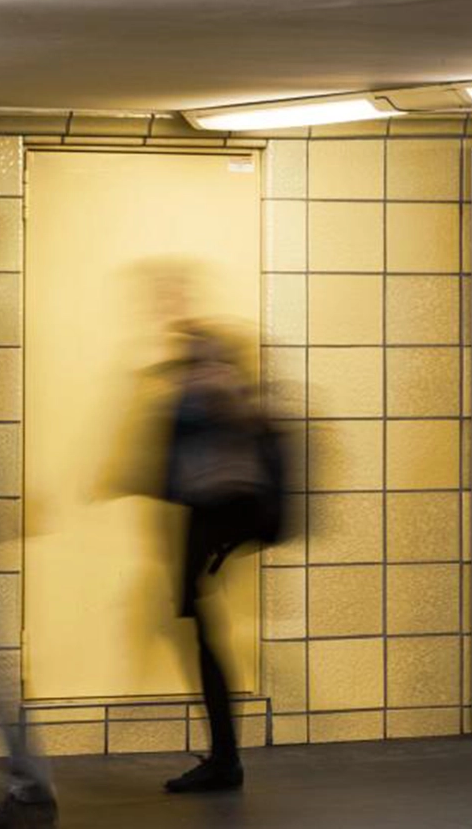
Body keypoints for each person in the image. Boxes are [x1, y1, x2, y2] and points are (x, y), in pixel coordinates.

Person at [159, 320, 269, 794]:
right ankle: (224, 755)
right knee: (205, 637)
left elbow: (212, 462)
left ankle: (225, 759)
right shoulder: (221, 387)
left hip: (208, 524)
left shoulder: (214, 387)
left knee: (207, 639)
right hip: (207, 525)